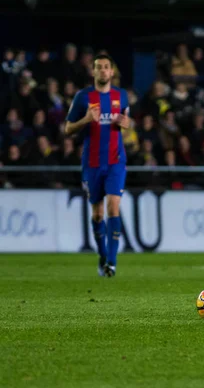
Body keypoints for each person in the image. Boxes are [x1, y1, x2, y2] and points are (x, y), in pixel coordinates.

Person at [65, 54, 131, 277]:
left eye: (106, 67)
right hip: (92, 164)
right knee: (97, 214)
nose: (103, 71)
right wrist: (85, 120)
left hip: (116, 161)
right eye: (98, 68)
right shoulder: (83, 97)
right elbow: (67, 129)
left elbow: (127, 120)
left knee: (113, 207)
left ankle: (111, 263)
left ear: (112, 72)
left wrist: (126, 123)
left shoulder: (121, 96)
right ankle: (102, 256)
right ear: (93, 72)